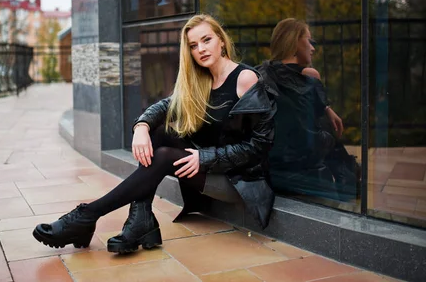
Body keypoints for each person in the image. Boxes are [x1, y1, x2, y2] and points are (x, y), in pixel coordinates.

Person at [33, 14, 277, 253]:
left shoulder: (245, 79)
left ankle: (88, 215)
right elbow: (163, 107)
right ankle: (139, 221)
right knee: (158, 132)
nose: (201, 49)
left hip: (238, 180)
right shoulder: (200, 80)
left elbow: (259, 147)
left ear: (221, 41)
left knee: (164, 156)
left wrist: (206, 158)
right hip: (207, 167)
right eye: (193, 45)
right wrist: (141, 127)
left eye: (207, 40)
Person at [257, 18, 360, 201]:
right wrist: (326, 109)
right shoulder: (309, 76)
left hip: (272, 164)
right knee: (328, 131)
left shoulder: (261, 74)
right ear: (296, 41)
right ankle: (347, 176)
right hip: (303, 163)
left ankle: (347, 174)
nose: (312, 48)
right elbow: (314, 132)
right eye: (309, 40)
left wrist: (326, 107)